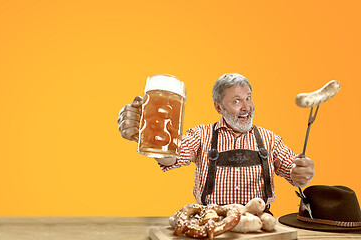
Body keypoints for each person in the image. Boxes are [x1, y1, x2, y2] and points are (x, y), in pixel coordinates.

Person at [117, 73, 314, 209]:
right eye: (236, 101)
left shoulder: (270, 139)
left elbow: (293, 172)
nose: (246, 107)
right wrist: (149, 134)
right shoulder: (201, 135)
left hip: (259, 223)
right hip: (211, 220)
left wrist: (302, 172)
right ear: (218, 107)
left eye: (248, 98)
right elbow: (171, 157)